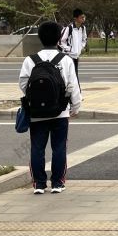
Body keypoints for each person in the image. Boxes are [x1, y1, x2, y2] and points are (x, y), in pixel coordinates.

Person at [19, 22, 82, 194]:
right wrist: (74, 108)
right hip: (60, 112)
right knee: (59, 147)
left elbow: (23, 84)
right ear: (58, 39)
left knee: (37, 148)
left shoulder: (30, 60)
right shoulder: (66, 60)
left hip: (36, 113)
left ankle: (39, 184)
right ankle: (57, 183)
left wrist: (35, 98)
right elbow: (73, 87)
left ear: (40, 38)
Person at [59, 9, 87, 82]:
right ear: (75, 18)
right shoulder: (69, 28)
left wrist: (81, 47)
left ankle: (76, 91)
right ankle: (75, 91)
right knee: (70, 76)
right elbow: (60, 41)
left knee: (75, 75)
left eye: (83, 17)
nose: (83, 19)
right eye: (81, 17)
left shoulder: (83, 28)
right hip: (68, 56)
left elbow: (84, 39)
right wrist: (69, 49)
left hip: (76, 56)